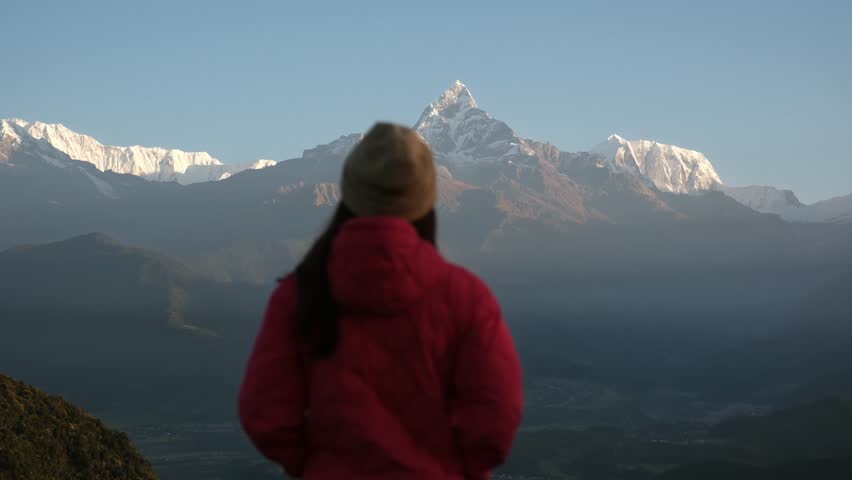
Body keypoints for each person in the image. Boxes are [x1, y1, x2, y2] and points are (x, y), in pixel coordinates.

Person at [238, 122, 523, 479]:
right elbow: (496, 418)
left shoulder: (300, 294)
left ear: (350, 192)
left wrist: (314, 465)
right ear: (426, 199)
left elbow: (265, 411)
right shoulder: (466, 298)